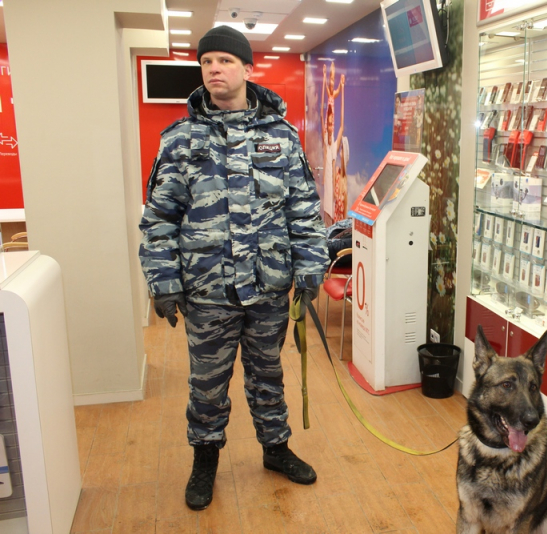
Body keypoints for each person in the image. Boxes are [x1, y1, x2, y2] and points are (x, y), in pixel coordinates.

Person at [139, 25, 329, 511]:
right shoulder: (180, 140)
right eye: (206, 62)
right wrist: (162, 281)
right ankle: (205, 459)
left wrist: (310, 268)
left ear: (247, 68)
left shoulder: (281, 137)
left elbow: (304, 211)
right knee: (207, 382)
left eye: (224, 60)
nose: (214, 69)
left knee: (268, 374)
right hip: (208, 291)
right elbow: (159, 218)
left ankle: (276, 448)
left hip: (268, 288)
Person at [320, 65, 345, 224]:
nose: (330, 127)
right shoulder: (326, 143)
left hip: (332, 185)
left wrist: (342, 88)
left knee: (332, 214)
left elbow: (341, 124)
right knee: (326, 213)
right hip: (327, 185)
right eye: (328, 125)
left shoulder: (335, 145)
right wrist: (323, 78)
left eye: (331, 124)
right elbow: (322, 114)